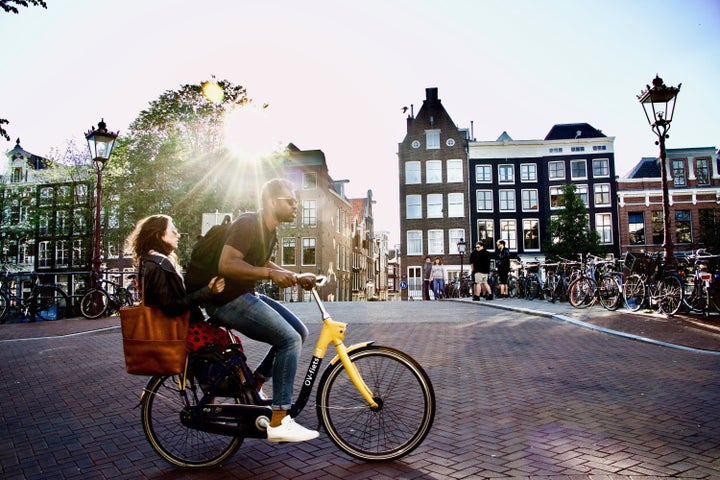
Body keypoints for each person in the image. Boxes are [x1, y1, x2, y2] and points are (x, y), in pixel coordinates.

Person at [215, 178, 319, 443]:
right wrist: (271, 274)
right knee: (289, 339)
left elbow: (261, 261)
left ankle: (256, 384)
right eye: (290, 201)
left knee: (299, 331)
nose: (296, 206)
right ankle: (280, 420)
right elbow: (227, 264)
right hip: (226, 300)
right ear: (272, 201)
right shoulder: (248, 223)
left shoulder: (267, 230)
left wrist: (295, 276)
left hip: (244, 294)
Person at [125, 214, 225, 324]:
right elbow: (171, 307)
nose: (178, 235)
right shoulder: (158, 265)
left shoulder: (152, 260)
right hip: (178, 329)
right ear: (159, 236)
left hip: (177, 325)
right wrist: (208, 291)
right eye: (173, 231)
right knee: (222, 339)